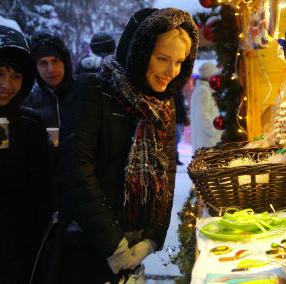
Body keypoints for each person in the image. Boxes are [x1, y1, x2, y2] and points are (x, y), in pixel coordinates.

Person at [58, 7, 198, 284]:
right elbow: (76, 173)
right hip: (89, 250)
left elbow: (167, 173)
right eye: (162, 59)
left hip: (134, 253)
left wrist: (152, 238)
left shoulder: (163, 105)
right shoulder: (92, 91)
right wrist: (114, 247)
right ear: (140, 52)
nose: (171, 71)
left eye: (180, 62)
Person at [0, 24, 52, 283]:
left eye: (16, 76)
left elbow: (44, 195)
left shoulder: (31, 124)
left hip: (17, 263)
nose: (7, 85)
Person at [23, 29, 74, 129]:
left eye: (55, 61)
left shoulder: (83, 93)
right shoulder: (28, 102)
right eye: (43, 63)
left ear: (65, 62)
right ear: (35, 67)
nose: (51, 69)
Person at [190, 62, 222, 153]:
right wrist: (213, 131)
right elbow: (202, 115)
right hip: (207, 140)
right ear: (209, 76)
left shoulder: (201, 89)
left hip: (205, 139)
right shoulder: (203, 91)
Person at [174, 89, 190, 165]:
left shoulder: (178, 93)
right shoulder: (177, 94)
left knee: (177, 139)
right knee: (176, 139)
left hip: (179, 120)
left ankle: (175, 158)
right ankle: (175, 158)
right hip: (177, 119)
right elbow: (180, 107)